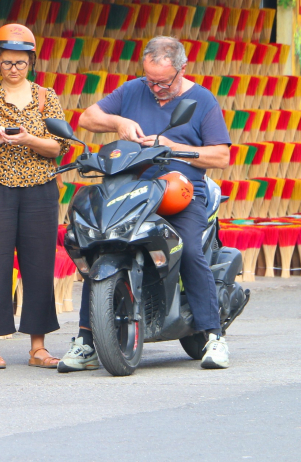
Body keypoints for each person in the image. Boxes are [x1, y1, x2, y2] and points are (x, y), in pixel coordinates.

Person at [58, 36, 233, 372]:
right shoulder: (133, 89)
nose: (156, 89)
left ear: (182, 69)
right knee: (101, 247)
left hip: (180, 192)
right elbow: (87, 119)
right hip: (132, 190)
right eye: (151, 81)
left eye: (164, 82)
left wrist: (174, 146)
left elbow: (221, 155)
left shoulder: (202, 100)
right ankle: (86, 341)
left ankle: (214, 336)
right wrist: (117, 122)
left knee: (191, 251)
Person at [0, 24, 70, 370]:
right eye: (7, 62)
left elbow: (58, 148)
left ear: (31, 62)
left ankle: (38, 347)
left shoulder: (45, 97)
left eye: (20, 63)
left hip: (40, 189)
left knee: (39, 266)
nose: (13, 69)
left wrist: (28, 139)